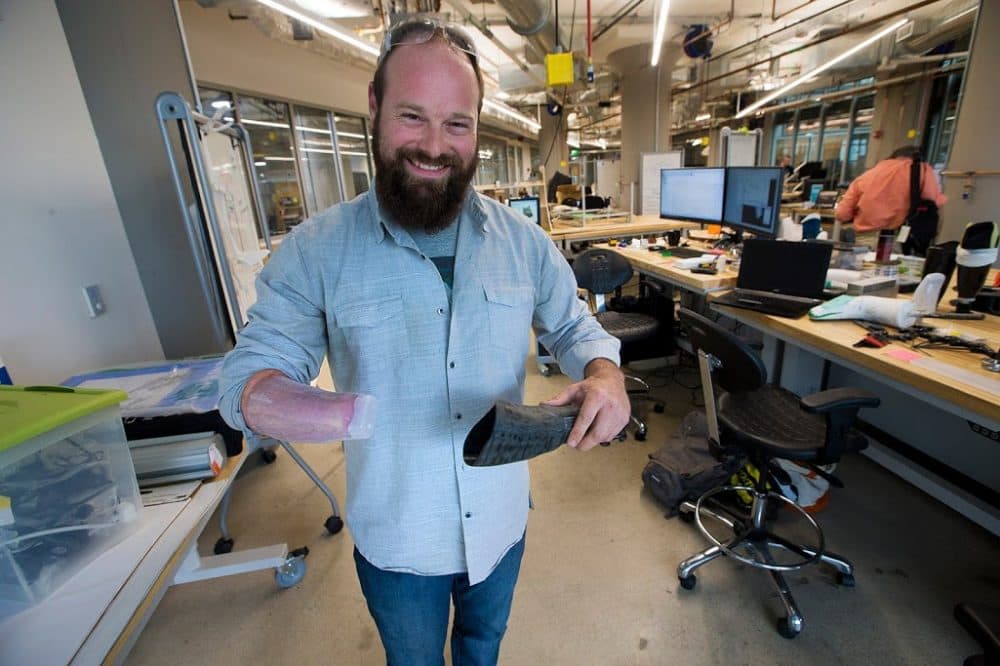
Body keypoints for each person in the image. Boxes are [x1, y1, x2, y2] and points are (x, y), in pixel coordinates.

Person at [217, 16, 630, 666]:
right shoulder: (316, 253)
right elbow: (255, 367)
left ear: (476, 130)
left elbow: (575, 326)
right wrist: (267, 397)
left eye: (456, 124)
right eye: (413, 117)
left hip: (499, 526)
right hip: (399, 540)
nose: (434, 146)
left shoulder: (525, 245)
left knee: (482, 649)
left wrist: (604, 373)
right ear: (376, 111)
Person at [835, 145, 947, 248]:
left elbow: (842, 214)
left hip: (866, 239)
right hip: (902, 240)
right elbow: (933, 203)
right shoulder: (923, 172)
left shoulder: (868, 175)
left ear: (891, 157)